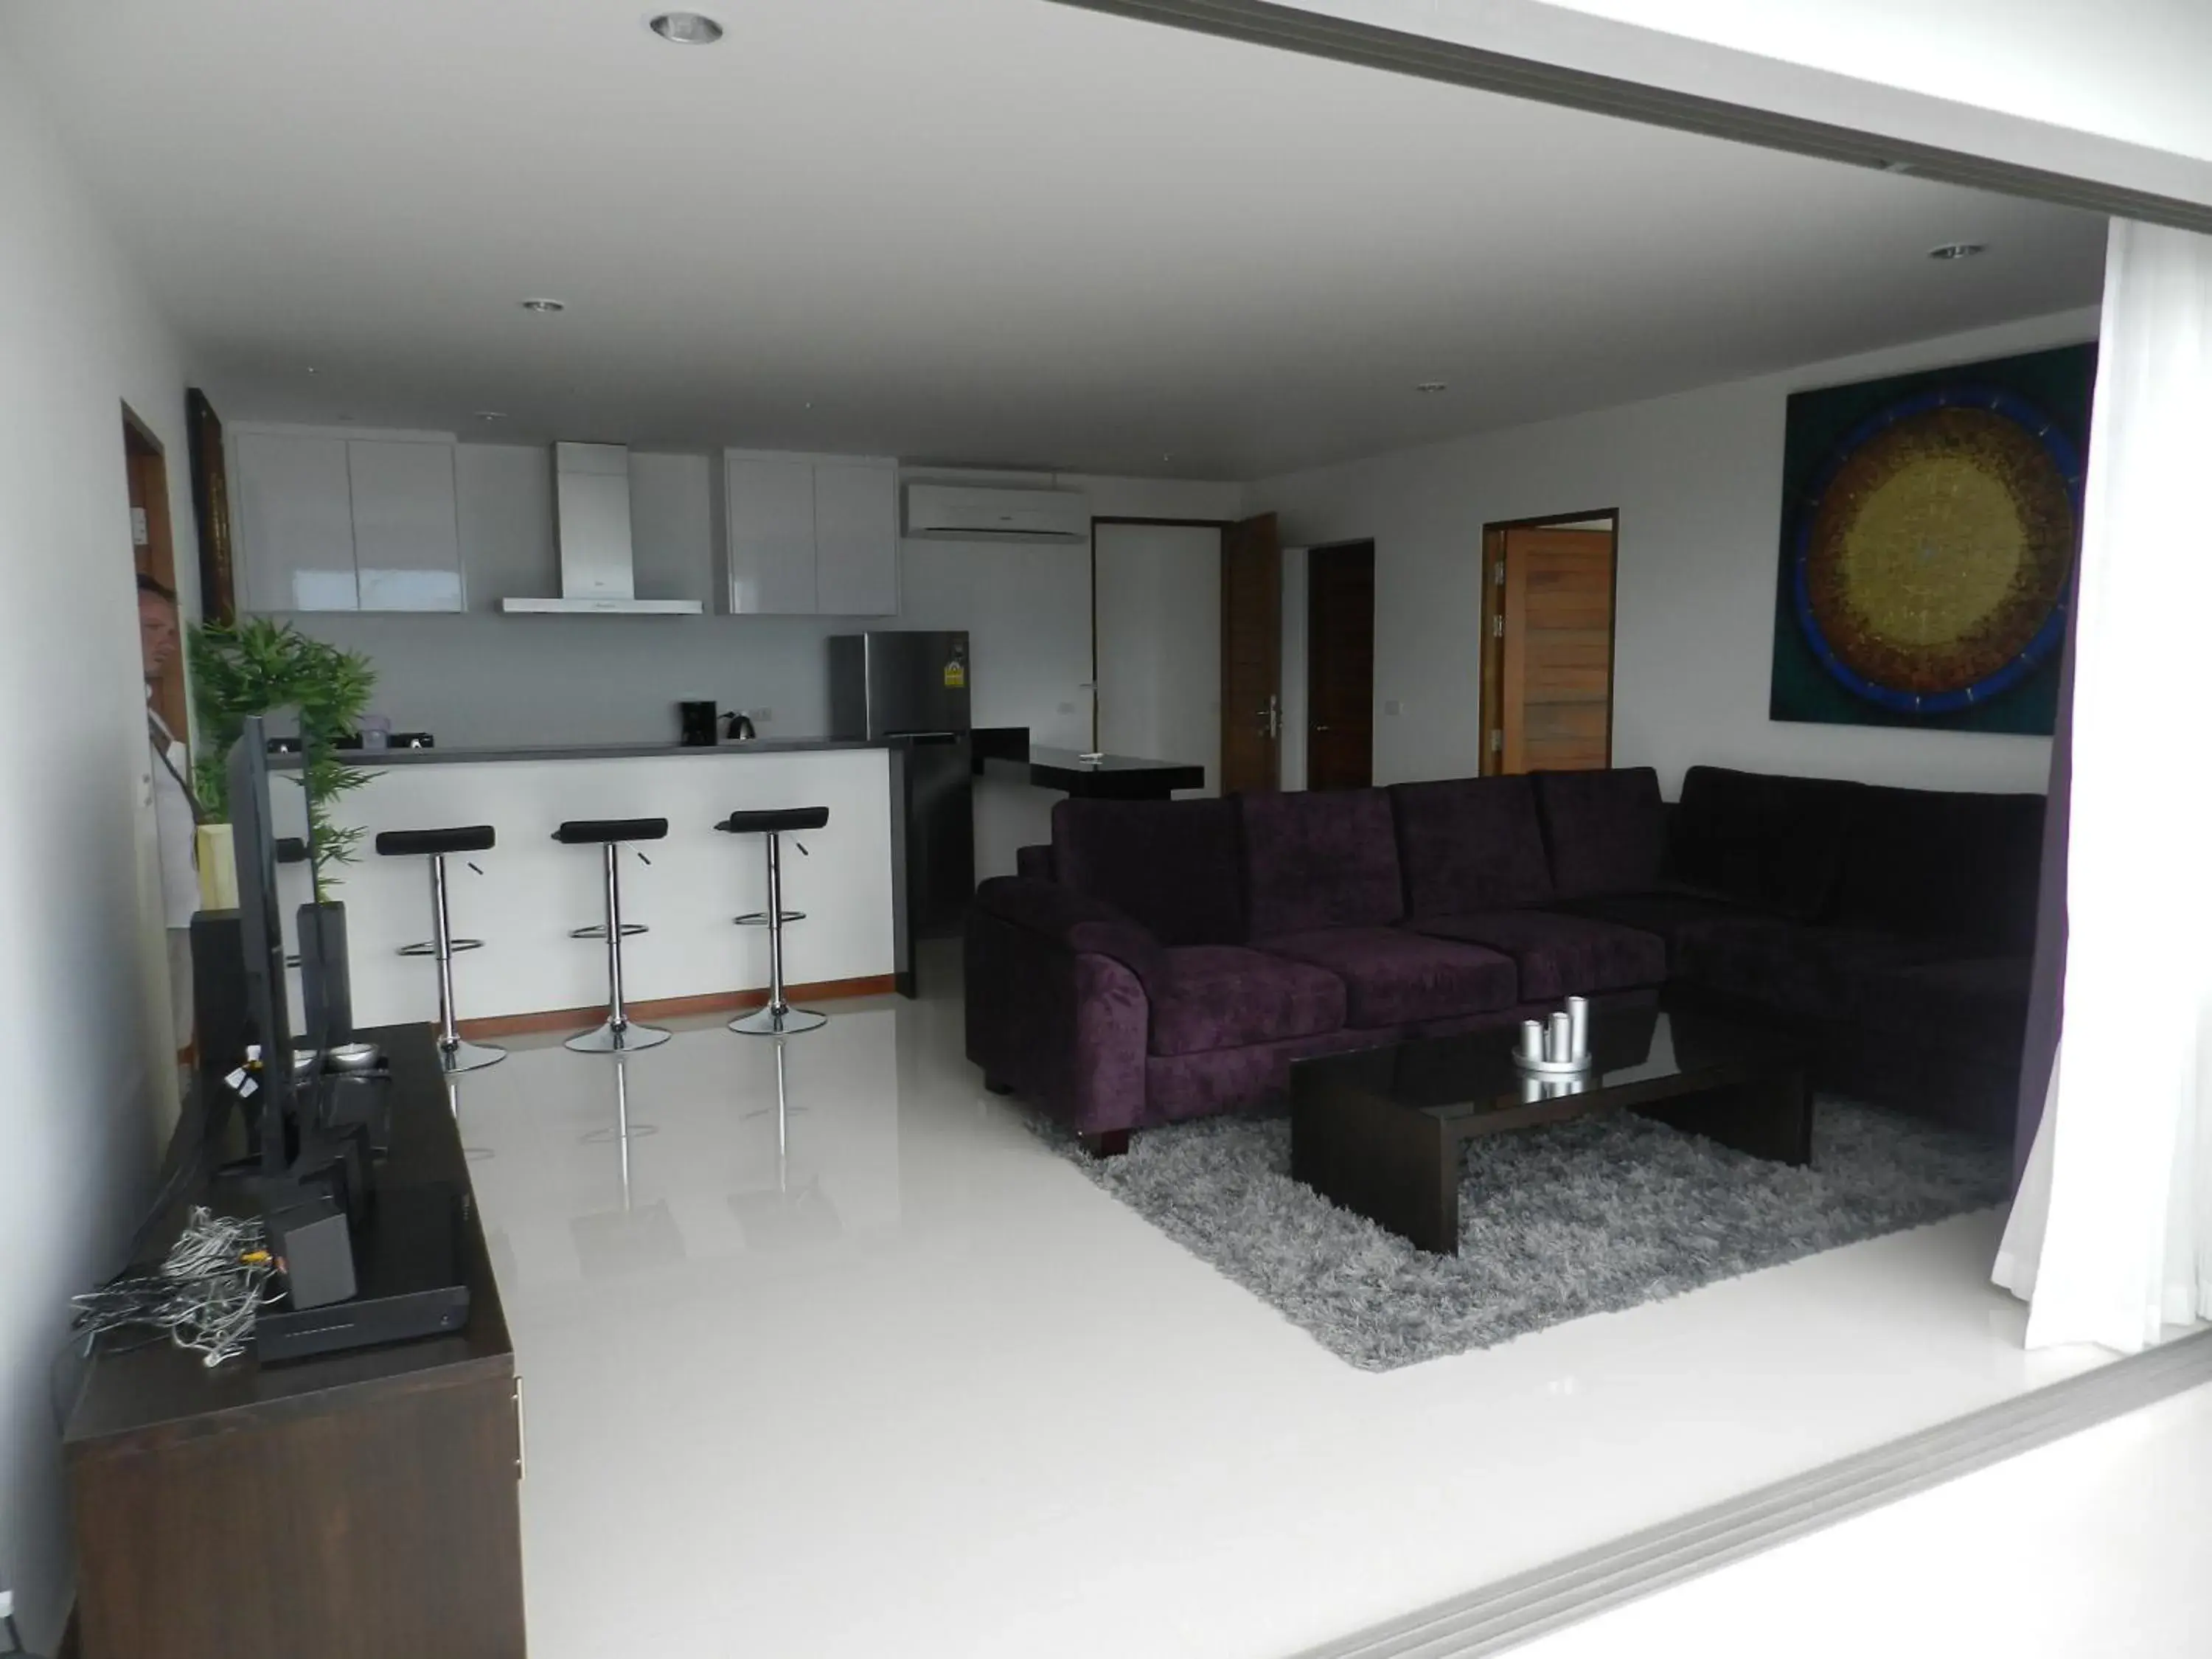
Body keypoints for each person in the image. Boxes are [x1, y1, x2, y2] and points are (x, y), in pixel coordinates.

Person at [138, 573, 200, 1054]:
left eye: (170, 632)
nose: (167, 643)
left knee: (178, 1028)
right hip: (155, 906)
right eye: (151, 628)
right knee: (165, 1036)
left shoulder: (150, 712)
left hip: (178, 899)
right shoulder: (116, 712)